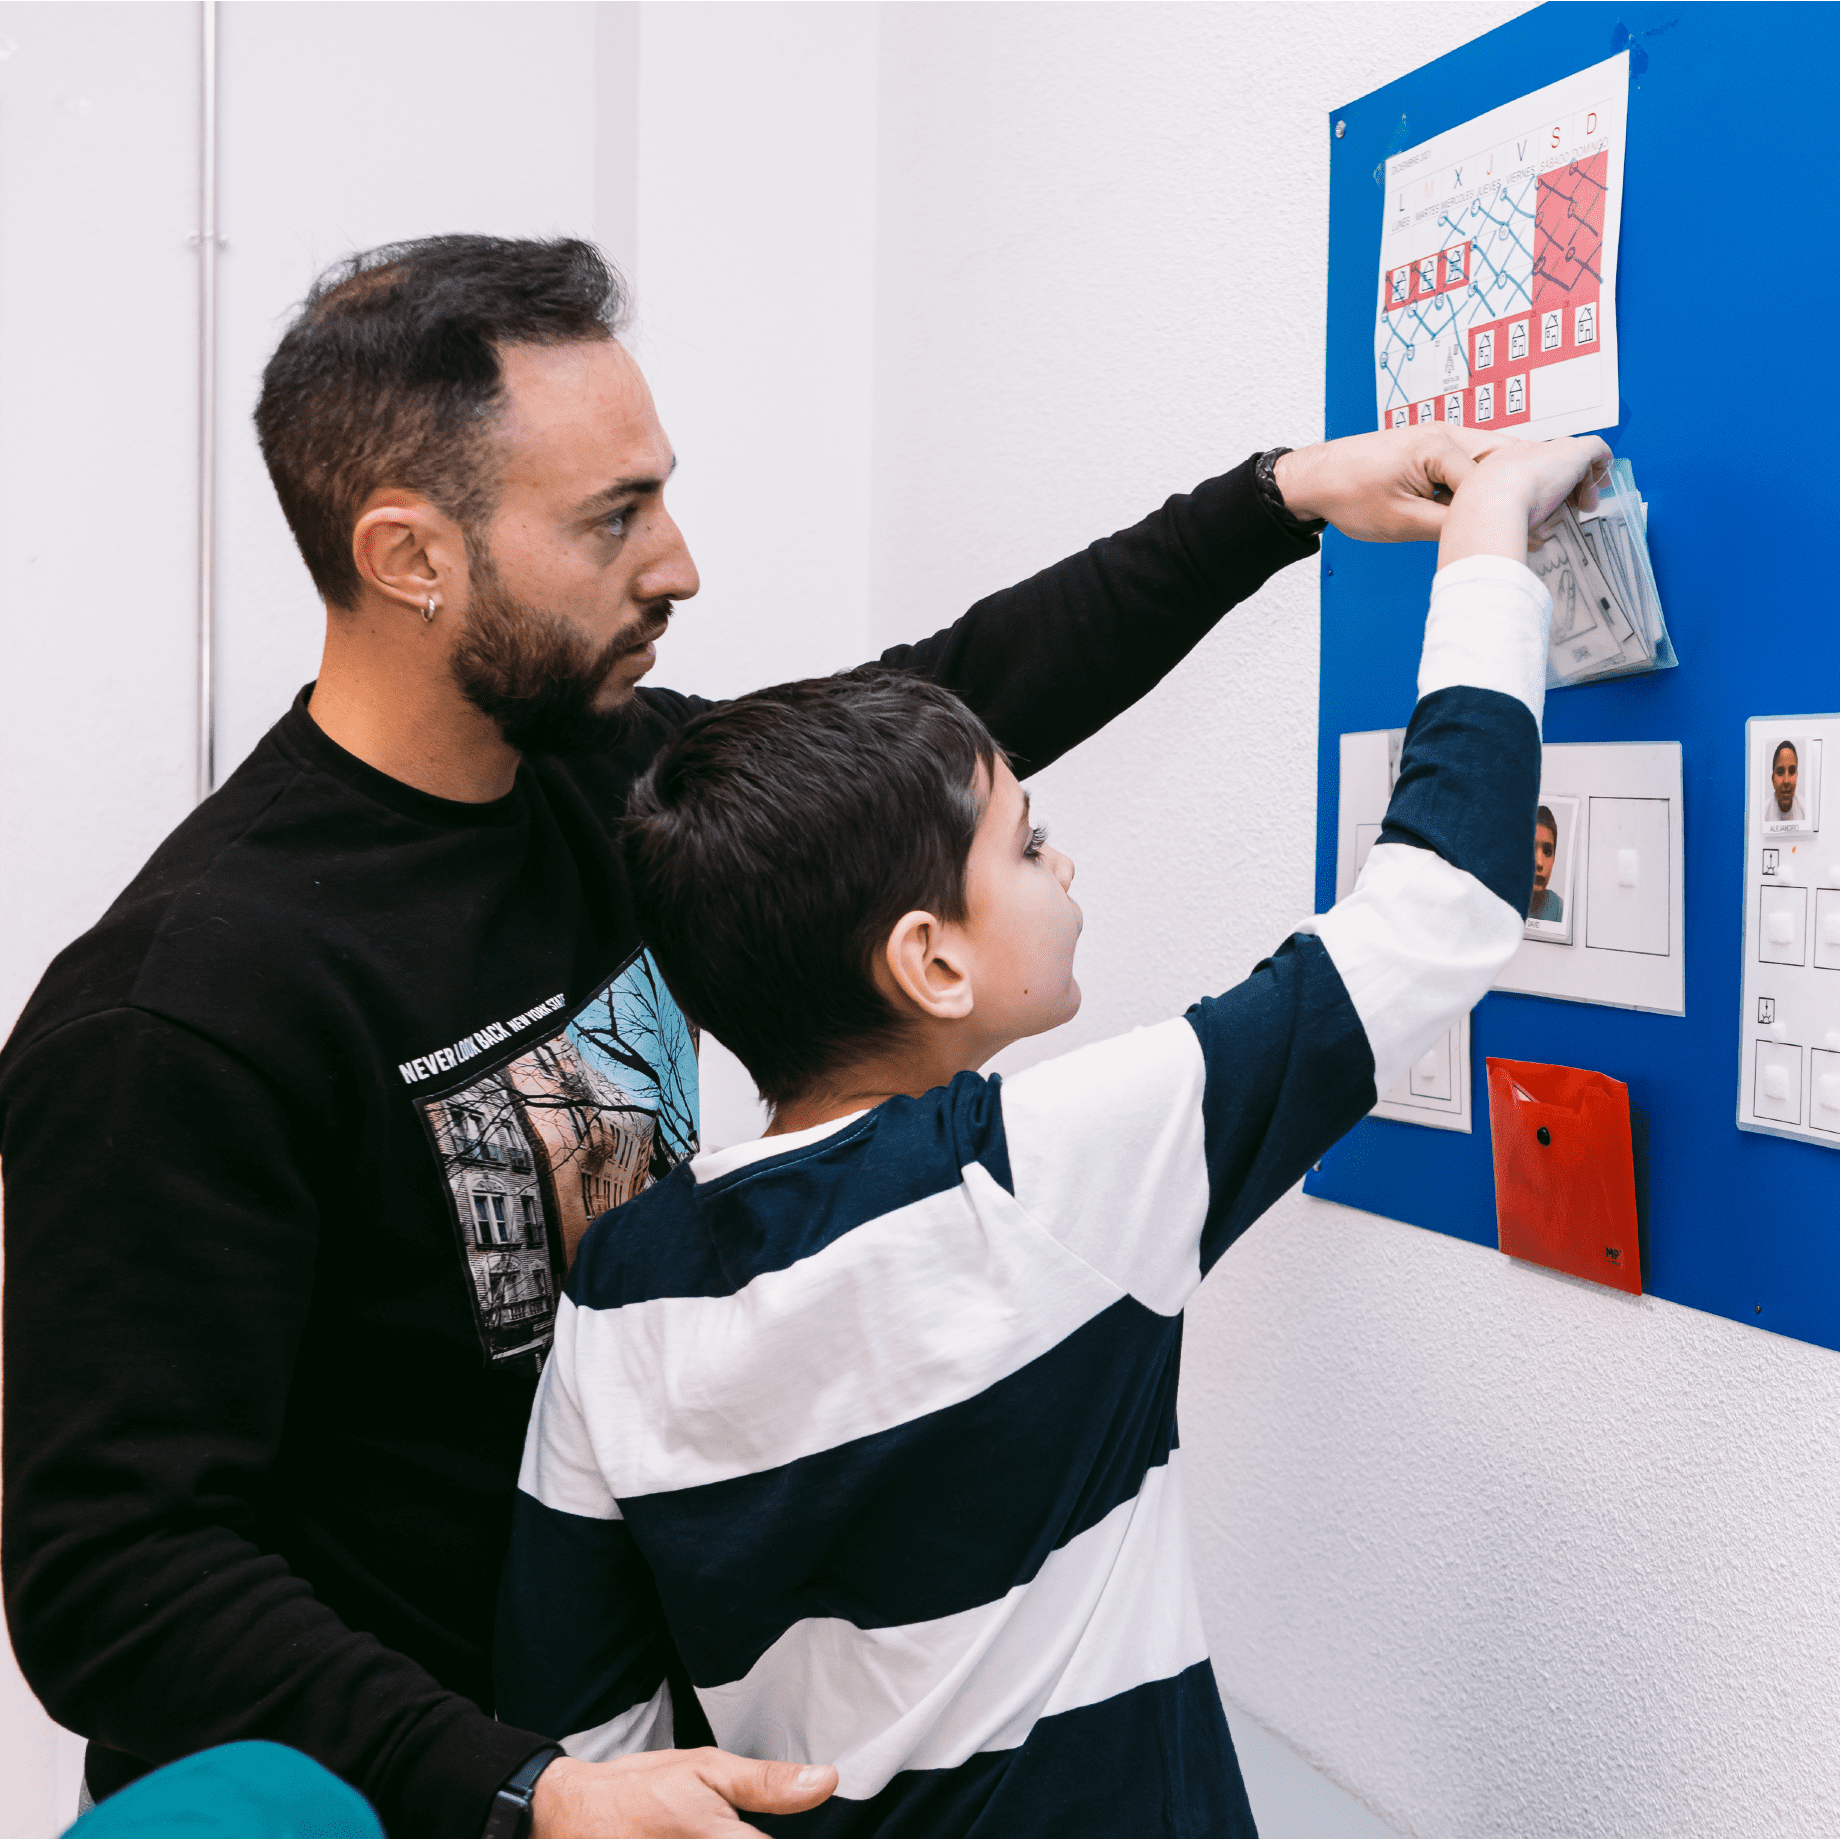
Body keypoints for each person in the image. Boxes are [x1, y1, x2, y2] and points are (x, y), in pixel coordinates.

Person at [0, 232, 1488, 1840]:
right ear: (409, 554)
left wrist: (1278, 502)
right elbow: (115, 1579)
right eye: (613, 518)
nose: (680, 563)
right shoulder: (180, 1010)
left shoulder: (584, 773)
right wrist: (524, 1788)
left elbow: (935, 718)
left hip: (639, 1753)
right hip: (429, 1801)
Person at [497, 434, 1611, 1836]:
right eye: (1027, 844)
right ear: (932, 964)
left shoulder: (618, 1287)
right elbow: (1437, 910)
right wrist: (1492, 530)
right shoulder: (1035, 1177)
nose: (1062, 864)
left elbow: (590, 1730)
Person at [1529, 803, 1564, 922]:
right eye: (1531, 849)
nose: (1539, 863)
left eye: (1548, 852)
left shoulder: (1559, 909)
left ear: (1554, 859)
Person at [1766, 739, 1806, 827]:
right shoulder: (1762, 813)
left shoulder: (1807, 811)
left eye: (1792, 771)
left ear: (1797, 776)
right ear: (1773, 780)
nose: (1786, 781)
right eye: (1780, 772)